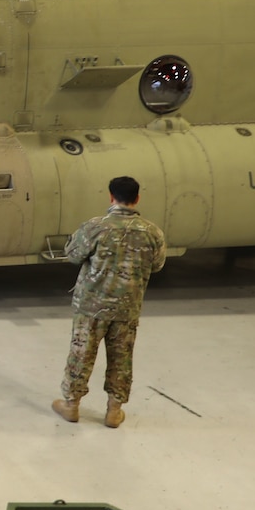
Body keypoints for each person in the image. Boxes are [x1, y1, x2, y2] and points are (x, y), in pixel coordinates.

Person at [53, 176, 167, 429]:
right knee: (121, 359)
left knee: (81, 354)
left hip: (91, 306)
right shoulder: (152, 232)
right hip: (127, 308)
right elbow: (157, 265)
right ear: (137, 198)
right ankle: (114, 411)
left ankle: (71, 406)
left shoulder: (94, 227)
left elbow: (73, 256)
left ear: (110, 196)